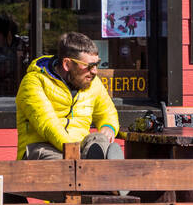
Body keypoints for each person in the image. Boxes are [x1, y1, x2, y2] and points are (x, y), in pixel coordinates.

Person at [15, 32, 122, 161]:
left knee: (99, 140)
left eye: (96, 64)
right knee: (64, 164)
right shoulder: (34, 82)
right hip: (42, 147)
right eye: (89, 66)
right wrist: (75, 153)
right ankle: (95, 163)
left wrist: (108, 127)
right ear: (67, 64)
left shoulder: (93, 83)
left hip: (80, 148)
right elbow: (48, 126)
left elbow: (107, 112)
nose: (94, 71)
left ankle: (97, 160)